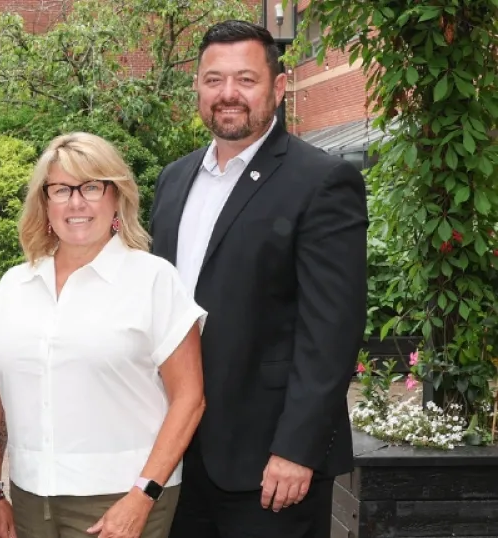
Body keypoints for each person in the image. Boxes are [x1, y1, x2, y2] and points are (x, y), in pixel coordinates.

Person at [149, 20, 368, 538]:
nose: (228, 94)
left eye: (245, 79)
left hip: (269, 465)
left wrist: (297, 448)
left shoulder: (321, 181)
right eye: (213, 79)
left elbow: (331, 331)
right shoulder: (174, 179)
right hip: (177, 455)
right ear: (197, 88)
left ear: (278, 86)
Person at [0, 132, 207, 538]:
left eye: (91, 187)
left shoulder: (153, 280)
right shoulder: (12, 286)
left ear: (116, 197)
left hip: (121, 498)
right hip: (29, 498)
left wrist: (143, 494)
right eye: (61, 189)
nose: (76, 202)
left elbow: (190, 399)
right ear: (44, 202)